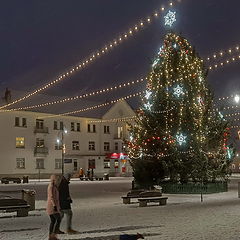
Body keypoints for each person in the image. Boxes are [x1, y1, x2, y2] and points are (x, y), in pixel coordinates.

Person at [46, 174, 62, 240]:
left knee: (53, 220)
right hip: (52, 206)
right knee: (58, 219)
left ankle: (51, 236)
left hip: (53, 205)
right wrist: (54, 205)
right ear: (54, 180)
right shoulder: (51, 187)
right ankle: (53, 235)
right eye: (57, 179)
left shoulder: (54, 186)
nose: (58, 181)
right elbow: (51, 197)